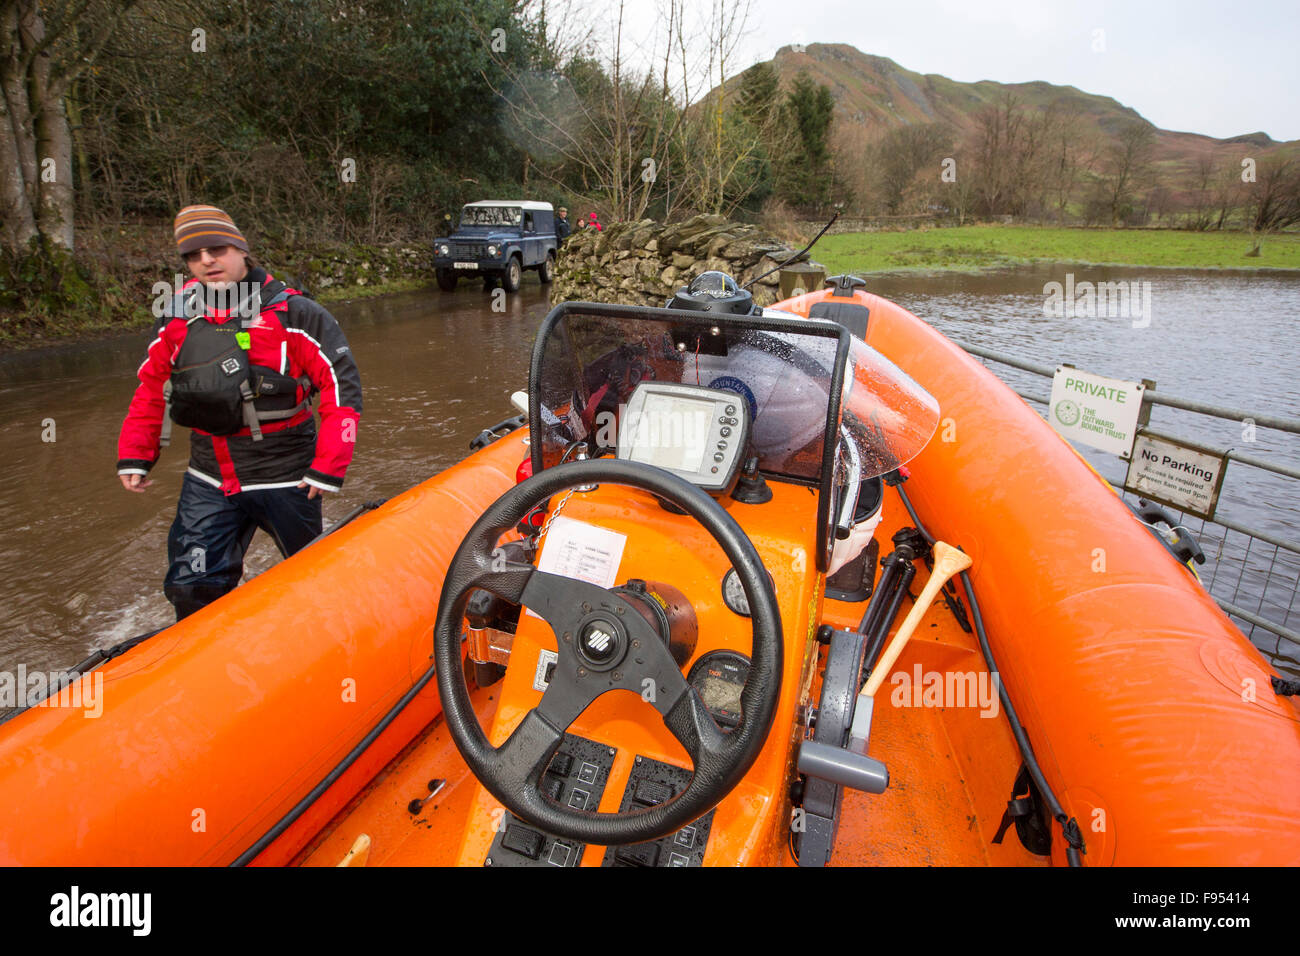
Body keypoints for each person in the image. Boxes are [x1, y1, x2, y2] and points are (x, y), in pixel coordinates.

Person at [117, 204, 363, 621]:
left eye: (216, 249)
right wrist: (136, 453)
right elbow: (152, 387)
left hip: (287, 473)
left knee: (313, 576)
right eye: (193, 256)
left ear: (241, 249)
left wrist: (328, 468)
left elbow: (341, 391)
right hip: (210, 474)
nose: (206, 261)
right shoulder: (177, 315)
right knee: (190, 584)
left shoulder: (296, 313)